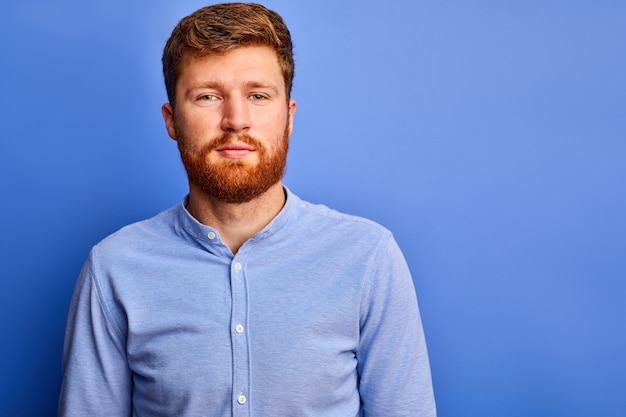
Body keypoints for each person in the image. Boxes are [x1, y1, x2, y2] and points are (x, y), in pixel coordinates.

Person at [58, 2, 436, 416]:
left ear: (288, 116)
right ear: (171, 120)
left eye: (258, 95)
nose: (236, 120)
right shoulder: (114, 267)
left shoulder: (368, 258)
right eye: (207, 96)